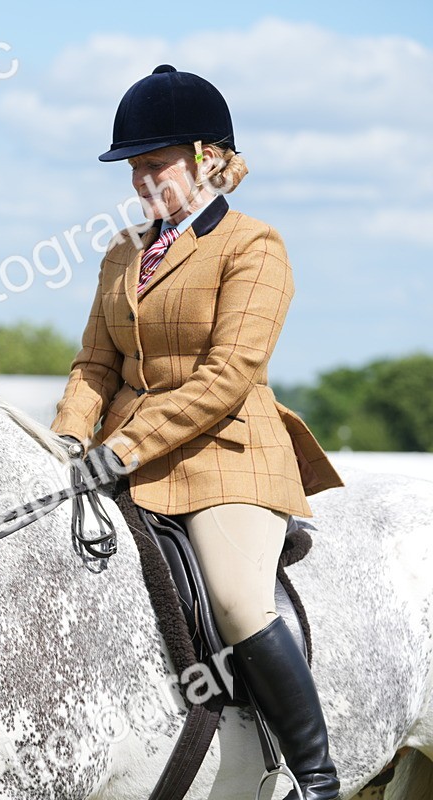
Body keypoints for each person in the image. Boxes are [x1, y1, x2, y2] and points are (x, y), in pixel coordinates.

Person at [51, 65, 345, 800]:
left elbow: (228, 374)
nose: (141, 180)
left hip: (226, 456)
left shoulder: (254, 245)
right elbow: (95, 362)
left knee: (239, 598)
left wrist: (124, 445)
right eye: (134, 168)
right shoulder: (123, 252)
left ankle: (315, 777)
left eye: (156, 164)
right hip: (123, 459)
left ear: (209, 158)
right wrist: (64, 441)